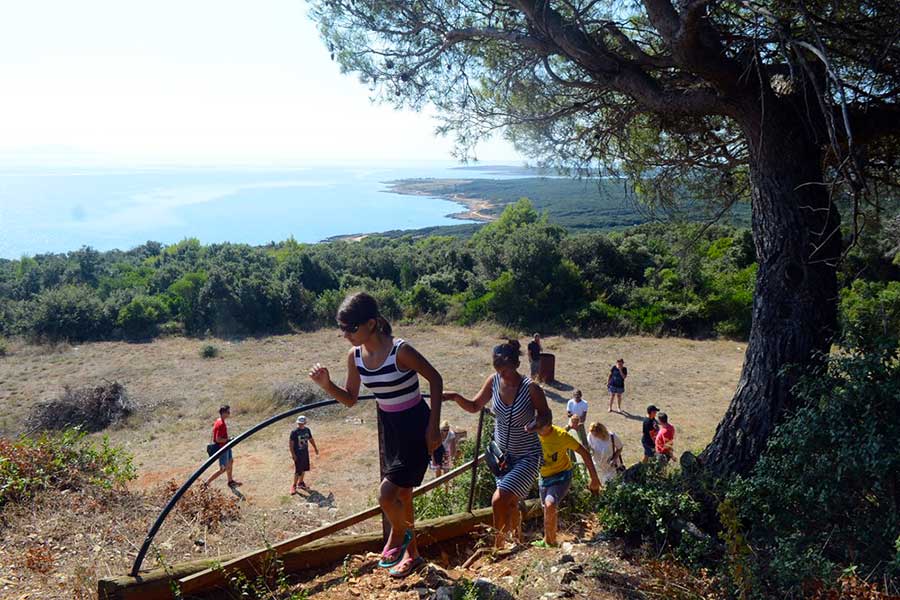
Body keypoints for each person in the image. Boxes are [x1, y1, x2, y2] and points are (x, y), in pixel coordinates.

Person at [308, 292, 443, 579]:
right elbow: (350, 399)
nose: (346, 334)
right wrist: (326, 384)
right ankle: (412, 555)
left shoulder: (400, 351)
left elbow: (436, 379)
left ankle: (399, 535)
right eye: (342, 328)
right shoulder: (355, 356)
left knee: (386, 495)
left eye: (351, 328)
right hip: (390, 426)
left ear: (371, 323)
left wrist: (433, 428)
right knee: (403, 493)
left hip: (414, 424)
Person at [444, 340, 550, 549]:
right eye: (499, 370)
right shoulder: (493, 381)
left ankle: (498, 546)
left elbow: (546, 415)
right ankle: (518, 542)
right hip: (502, 456)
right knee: (510, 503)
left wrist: (537, 424)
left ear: (516, 365)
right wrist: (456, 396)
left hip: (527, 456)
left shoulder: (531, 388)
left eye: (506, 370)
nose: (503, 375)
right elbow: (475, 406)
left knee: (498, 500)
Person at [533, 421, 600, 547]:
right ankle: (549, 540)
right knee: (547, 509)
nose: (536, 429)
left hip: (561, 476)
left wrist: (594, 478)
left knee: (550, 504)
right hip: (544, 477)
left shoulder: (561, 436)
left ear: (548, 423)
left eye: (539, 425)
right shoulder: (532, 435)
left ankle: (550, 543)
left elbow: (584, 452)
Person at [204, 405, 242, 489]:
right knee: (222, 469)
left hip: (226, 447)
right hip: (222, 448)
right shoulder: (221, 424)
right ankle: (206, 483)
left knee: (230, 461)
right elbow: (218, 439)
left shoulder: (219, 420)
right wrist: (228, 440)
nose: (229, 413)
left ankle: (230, 481)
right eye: (228, 412)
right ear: (224, 413)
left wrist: (227, 441)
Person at [289, 415, 318, 494]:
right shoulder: (294, 432)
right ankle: (294, 485)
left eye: (302, 423)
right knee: (298, 470)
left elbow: (310, 439)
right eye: (299, 423)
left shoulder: (307, 430)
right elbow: (291, 444)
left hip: (305, 452)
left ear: (305, 423)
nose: (300, 425)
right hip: (298, 454)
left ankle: (301, 483)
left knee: (304, 468)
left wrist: (315, 448)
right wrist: (293, 454)